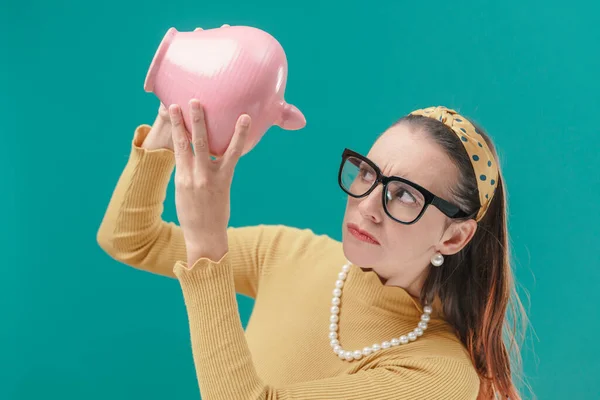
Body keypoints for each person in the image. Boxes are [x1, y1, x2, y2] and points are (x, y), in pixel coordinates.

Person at [97, 96, 527, 399]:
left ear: (454, 237)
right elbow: (131, 238)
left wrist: (208, 241)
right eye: (367, 174)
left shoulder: (437, 374)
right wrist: (172, 124)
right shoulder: (287, 252)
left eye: (405, 195)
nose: (368, 205)